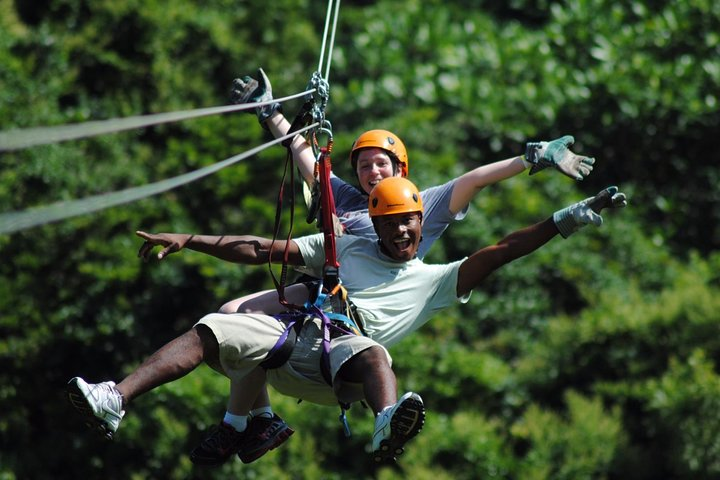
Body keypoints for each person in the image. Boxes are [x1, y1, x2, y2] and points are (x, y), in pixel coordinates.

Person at [168, 69, 598, 465]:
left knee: (247, 321)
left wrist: (532, 158)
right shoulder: (350, 203)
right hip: (321, 293)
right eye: (363, 165)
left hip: (355, 311)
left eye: (381, 163)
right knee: (231, 315)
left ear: (400, 169)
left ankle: (243, 423)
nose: (372, 171)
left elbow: (473, 181)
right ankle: (258, 418)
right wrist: (271, 113)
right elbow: (304, 154)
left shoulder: (419, 204)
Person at [67, 176, 626, 464]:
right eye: (394, 225)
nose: (405, 233)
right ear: (376, 226)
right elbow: (262, 247)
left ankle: (387, 422)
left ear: (420, 224)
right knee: (212, 326)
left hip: (340, 371)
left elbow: (502, 249)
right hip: (293, 338)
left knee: (371, 351)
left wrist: (567, 218)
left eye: (412, 223)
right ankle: (116, 399)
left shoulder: (434, 280)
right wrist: (189, 239)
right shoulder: (346, 249)